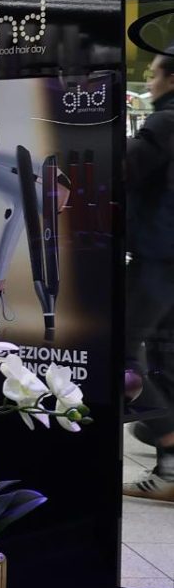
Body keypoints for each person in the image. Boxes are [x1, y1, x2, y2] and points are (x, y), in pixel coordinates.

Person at [126, 49, 174, 498]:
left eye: (155, 74)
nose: (150, 80)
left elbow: (124, 168)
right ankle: (169, 471)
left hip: (157, 257)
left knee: (120, 357)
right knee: (163, 357)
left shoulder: (165, 122)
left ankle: (167, 440)